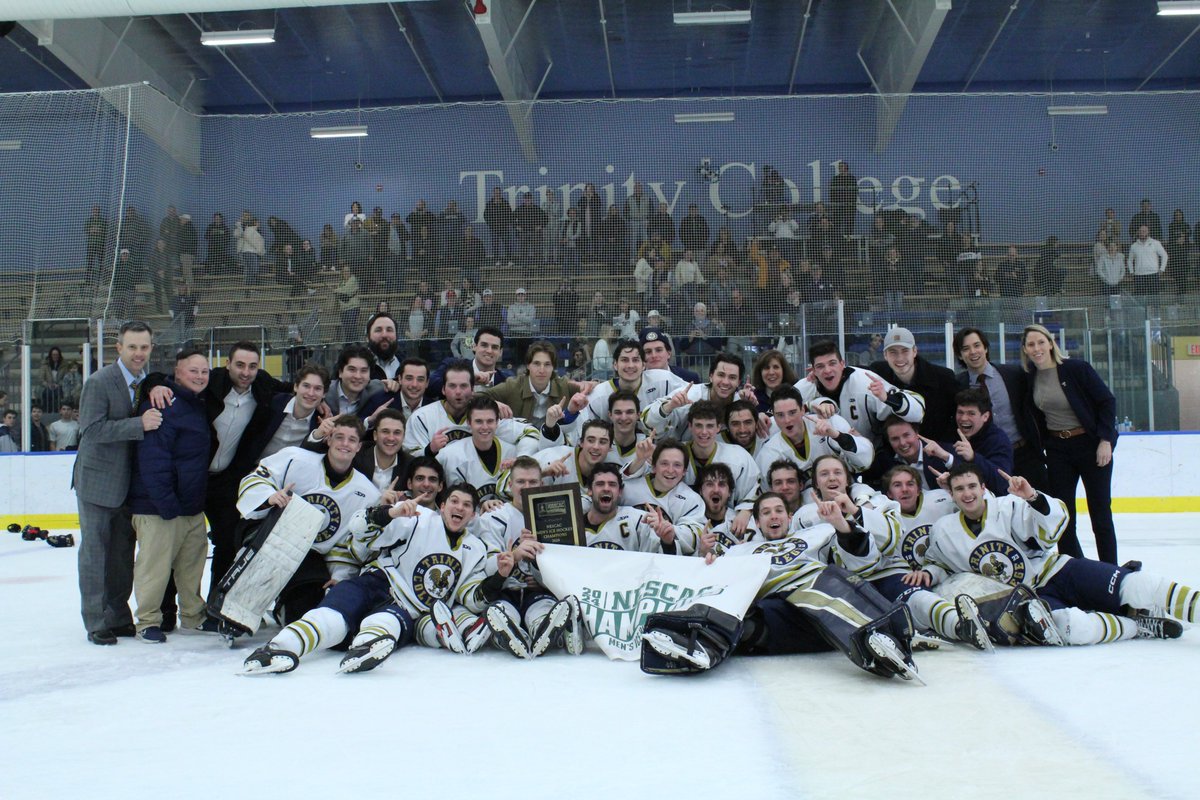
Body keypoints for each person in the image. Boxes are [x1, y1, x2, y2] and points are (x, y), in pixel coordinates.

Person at [909, 462, 1195, 646]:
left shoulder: (1008, 506)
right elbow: (941, 565)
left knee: (1138, 585)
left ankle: (1182, 605)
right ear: (953, 494)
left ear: (983, 488)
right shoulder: (944, 530)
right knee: (1072, 628)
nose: (967, 493)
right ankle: (1135, 624)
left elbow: (1051, 530)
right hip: (1028, 597)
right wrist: (928, 572)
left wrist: (1033, 498)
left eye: (972, 486)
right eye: (959, 489)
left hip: (1057, 571)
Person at [241, 483, 504, 674]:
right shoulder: (416, 518)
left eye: (467, 505)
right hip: (377, 582)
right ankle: (280, 647)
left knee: (386, 623)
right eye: (455, 501)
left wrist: (500, 577)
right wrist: (389, 513)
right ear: (443, 505)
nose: (460, 508)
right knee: (335, 612)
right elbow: (359, 531)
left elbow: (471, 597)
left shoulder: (477, 550)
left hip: (406, 610)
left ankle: (365, 647)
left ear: (472, 515)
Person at [74, 321, 161, 645]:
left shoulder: (145, 382)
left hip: (128, 484)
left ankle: (119, 615)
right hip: (97, 482)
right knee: (96, 554)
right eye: (132, 347)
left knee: (122, 555)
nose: (139, 353)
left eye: (144, 347)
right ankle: (96, 621)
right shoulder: (99, 382)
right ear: (119, 348)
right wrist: (138, 424)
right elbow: (92, 430)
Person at [126, 350, 212, 643]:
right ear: (177, 372)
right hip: (159, 507)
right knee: (154, 566)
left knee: (192, 566)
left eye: (204, 371)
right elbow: (153, 458)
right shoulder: (162, 402)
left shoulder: (196, 404)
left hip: (190, 506)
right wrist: (166, 504)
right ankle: (148, 621)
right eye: (193, 371)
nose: (200, 376)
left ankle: (193, 615)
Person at [1022, 323, 1119, 565]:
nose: (1037, 348)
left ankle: (1110, 571)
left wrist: (1105, 440)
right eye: (1031, 344)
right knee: (1063, 517)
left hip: (1090, 445)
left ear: (1051, 343)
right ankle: (1075, 570)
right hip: (1058, 450)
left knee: (1100, 514)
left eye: (1041, 342)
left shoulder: (1076, 369)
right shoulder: (1031, 378)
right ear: (1025, 349)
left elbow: (1106, 401)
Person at [953, 326, 1047, 490]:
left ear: (985, 347)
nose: (973, 352)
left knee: (1039, 505)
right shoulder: (958, 385)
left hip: (1024, 454)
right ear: (960, 355)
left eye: (977, 345)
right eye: (966, 349)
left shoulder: (1013, 374)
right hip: (990, 458)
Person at [869, 327, 958, 443]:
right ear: (885, 355)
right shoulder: (877, 373)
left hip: (935, 450)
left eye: (905, 351)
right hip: (894, 453)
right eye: (893, 352)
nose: (899, 358)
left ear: (915, 351)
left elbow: (955, 419)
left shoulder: (944, 378)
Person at [483, 341, 582, 427]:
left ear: (553, 367)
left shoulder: (564, 386)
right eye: (536, 364)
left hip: (553, 443)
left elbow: (593, 389)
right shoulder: (512, 386)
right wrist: (493, 404)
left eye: (547, 364)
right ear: (528, 366)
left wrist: (588, 385)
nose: (542, 370)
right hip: (520, 442)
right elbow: (477, 397)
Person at [1127, 224, 1168, 295]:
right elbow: (1130, 260)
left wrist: (1162, 269)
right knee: (1140, 299)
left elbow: (1165, 255)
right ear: (1138, 232)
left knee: (1154, 299)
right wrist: (1131, 271)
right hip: (1139, 276)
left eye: (1144, 231)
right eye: (1141, 231)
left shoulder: (1155, 243)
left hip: (1153, 275)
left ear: (1148, 232)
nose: (1142, 232)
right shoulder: (1134, 246)